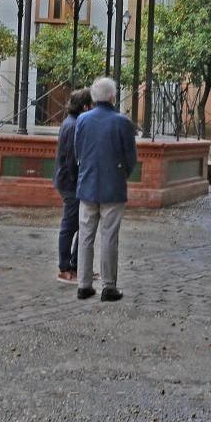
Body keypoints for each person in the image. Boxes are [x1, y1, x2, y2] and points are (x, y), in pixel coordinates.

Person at [73, 76, 137, 302]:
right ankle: (108, 286)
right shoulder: (122, 122)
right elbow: (131, 158)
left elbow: (78, 151)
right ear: (113, 97)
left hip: (88, 184)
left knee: (86, 236)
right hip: (113, 186)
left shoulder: (82, 120)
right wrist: (121, 175)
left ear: (93, 97)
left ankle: (83, 284)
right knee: (109, 237)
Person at [52, 88, 91, 283]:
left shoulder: (71, 123)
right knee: (70, 225)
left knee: (79, 224)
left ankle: (76, 265)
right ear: (85, 106)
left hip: (70, 181)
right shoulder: (73, 125)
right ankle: (65, 267)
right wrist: (78, 181)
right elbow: (71, 159)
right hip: (70, 183)